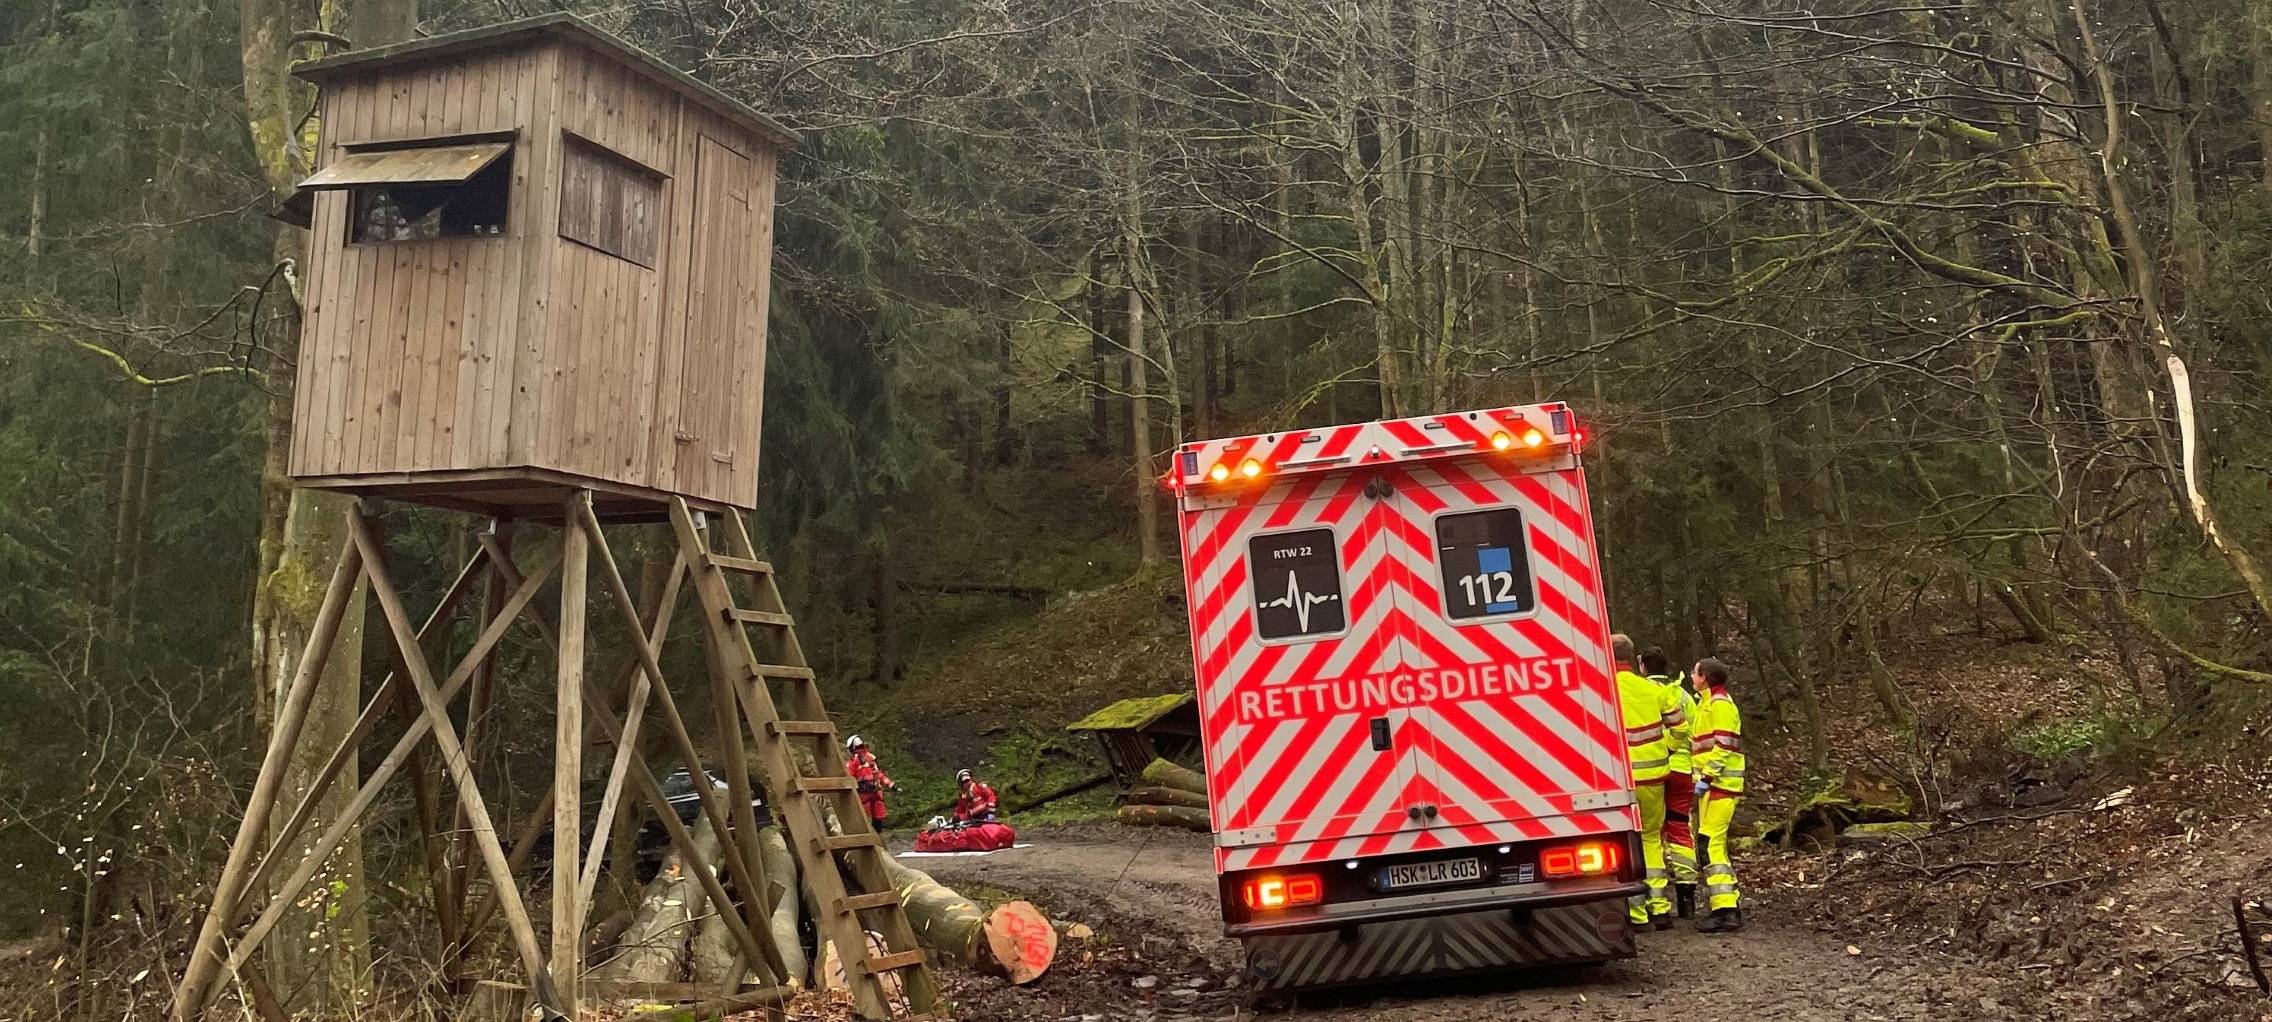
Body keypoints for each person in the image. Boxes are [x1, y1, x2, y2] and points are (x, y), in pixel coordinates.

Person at [1612, 634, 1675, 928]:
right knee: (1651, 839)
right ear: (1633, 658)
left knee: (1627, 844)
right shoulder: (1653, 690)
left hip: (1619, 782)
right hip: (1653, 778)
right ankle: (1660, 908)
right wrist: (1670, 750)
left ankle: (1636, 914)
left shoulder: (1602, 690)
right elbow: (1680, 727)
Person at [1642, 646, 1700, 917]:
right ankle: (1686, 896)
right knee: (1679, 829)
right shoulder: (1683, 695)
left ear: (1643, 666)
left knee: (1650, 834)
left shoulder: (1642, 693)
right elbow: (1696, 731)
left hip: (1652, 771)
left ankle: (1655, 899)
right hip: (1682, 770)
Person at [1690, 657, 1746, 933]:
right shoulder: (1708, 704)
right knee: (1711, 843)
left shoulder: (1719, 706)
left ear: (1706, 678)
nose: (1691, 676)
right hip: (1713, 786)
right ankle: (1727, 905)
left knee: (1710, 843)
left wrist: (1707, 778)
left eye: (1695, 673)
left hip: (1720, 786)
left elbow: (1723, 747)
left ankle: (1725, 910)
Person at [846, 735, 895, 831]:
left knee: (867, 818)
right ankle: (876, 836)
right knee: (875, 818)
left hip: (865, 794)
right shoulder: (870, 757)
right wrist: (890, 784)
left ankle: (870, 835)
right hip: (872, 793)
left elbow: (850, 777)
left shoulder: (854, 761)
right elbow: (879, 774)